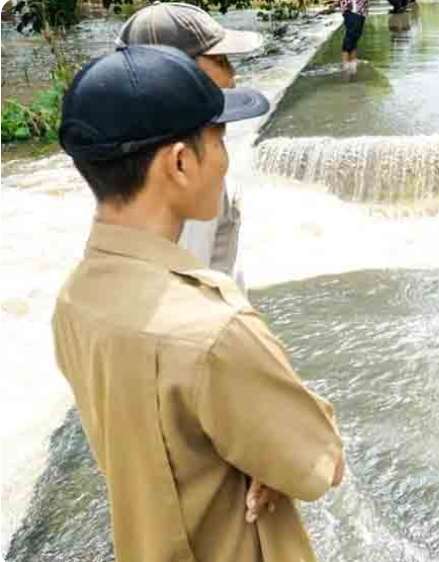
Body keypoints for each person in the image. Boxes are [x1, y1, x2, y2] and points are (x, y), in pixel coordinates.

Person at [53, 45, 345, 561]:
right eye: (219, 140)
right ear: (182, 163)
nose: (225, 160)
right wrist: (270, 457)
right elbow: (317, 462)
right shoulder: (213, 330)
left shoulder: (76, 300)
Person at [118, 2, 264, 287]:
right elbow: (181, 294)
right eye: (220, 62)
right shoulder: (183, 173)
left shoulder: (128, 151)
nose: (232, 77)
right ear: (174, 73)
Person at [339, 0, 369, 66]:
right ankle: (345, 62)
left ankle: (353, 60)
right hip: (351, 8)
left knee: (356, 35)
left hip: (361, 9)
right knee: (350, 35)